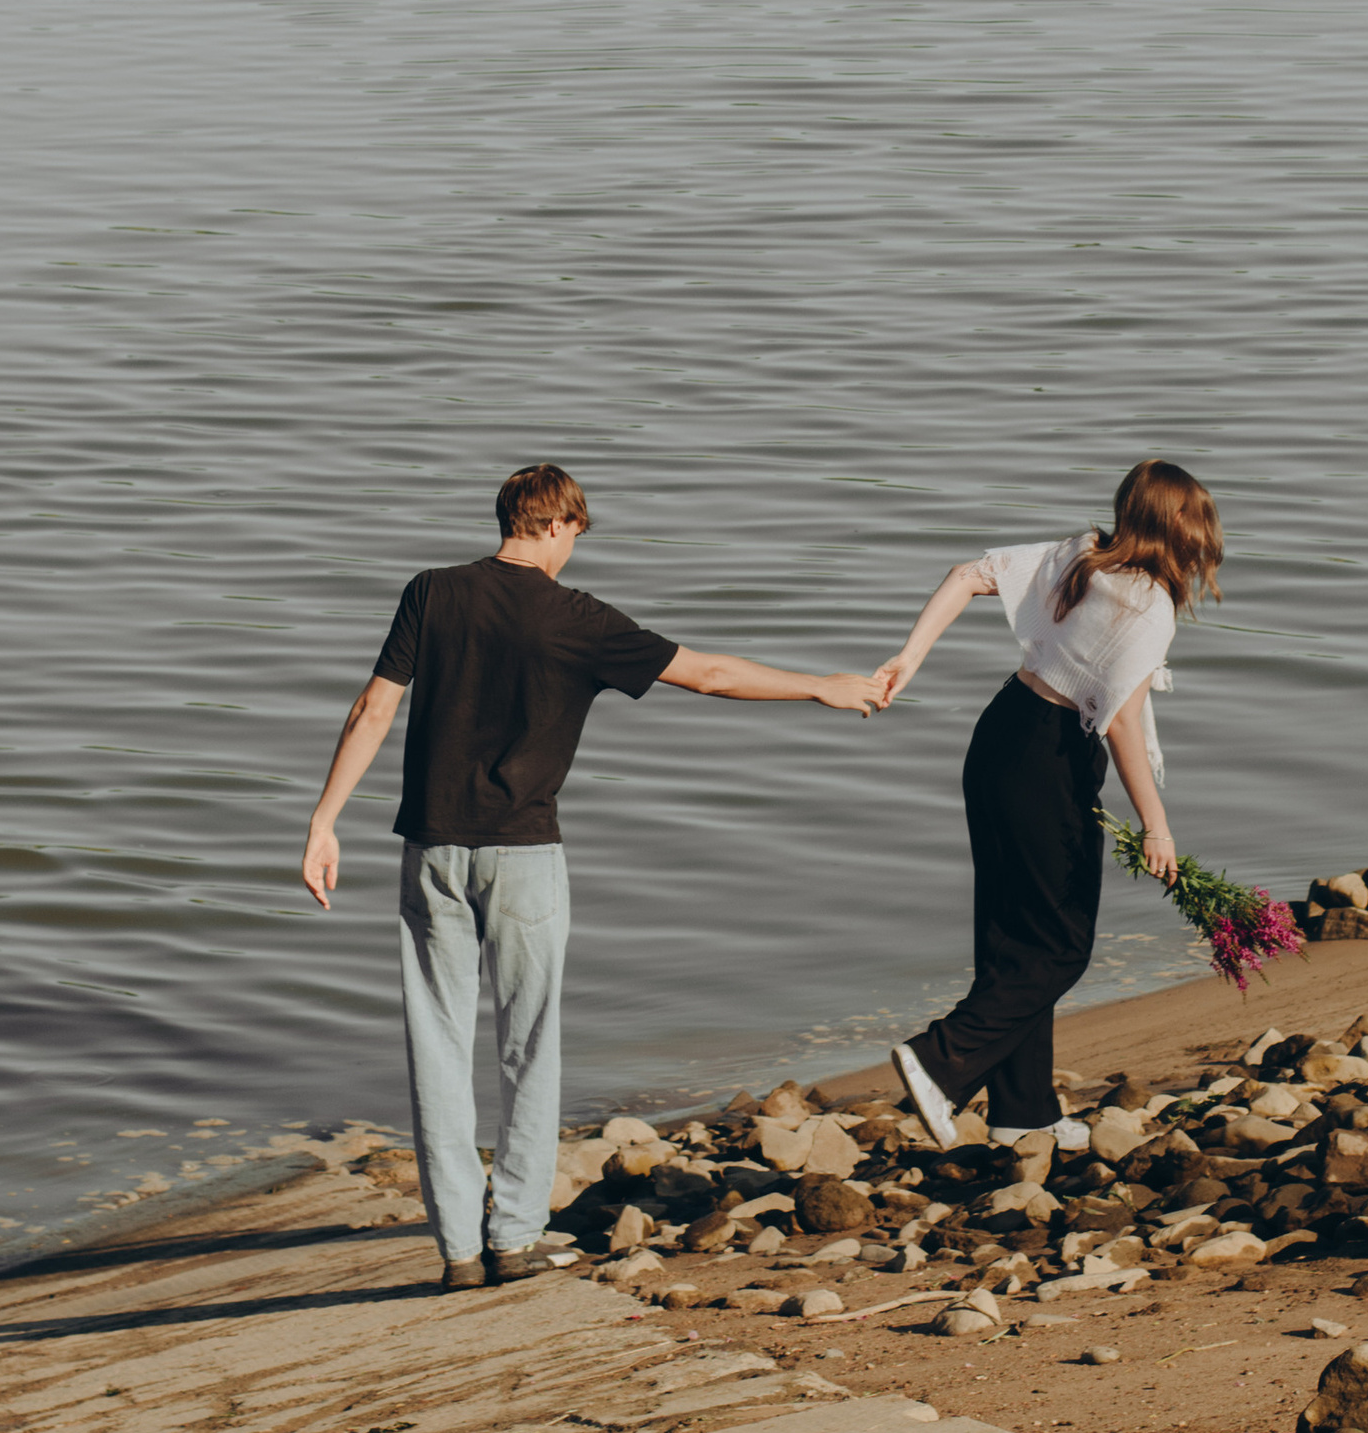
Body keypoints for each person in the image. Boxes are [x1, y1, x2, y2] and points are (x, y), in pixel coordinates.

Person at [302, 462, 882, 1290]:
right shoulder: (576, 619)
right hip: (525, 855)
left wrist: (325, 820)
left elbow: (373, 707)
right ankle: (513, 1235)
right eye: (574, 532)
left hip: (429, 849)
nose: (574, 547)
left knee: (436, 1044)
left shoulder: (430, 592)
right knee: (530, 1046)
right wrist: (818, 686)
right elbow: (709, 674)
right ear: (552, 524)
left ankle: (459, 1252)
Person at [872, 459, 1221, 1155]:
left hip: (1000, 734)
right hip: (1049, 759)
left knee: (1011, 934)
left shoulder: (1082, 554)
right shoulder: (1148, 602)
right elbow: (1121, 717)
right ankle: (939, 1060)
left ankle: (1023, 1111)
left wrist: (908, 658)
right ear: (1180, 529)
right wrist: (1156, 821)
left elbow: (967, 573)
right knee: (1061, 944)